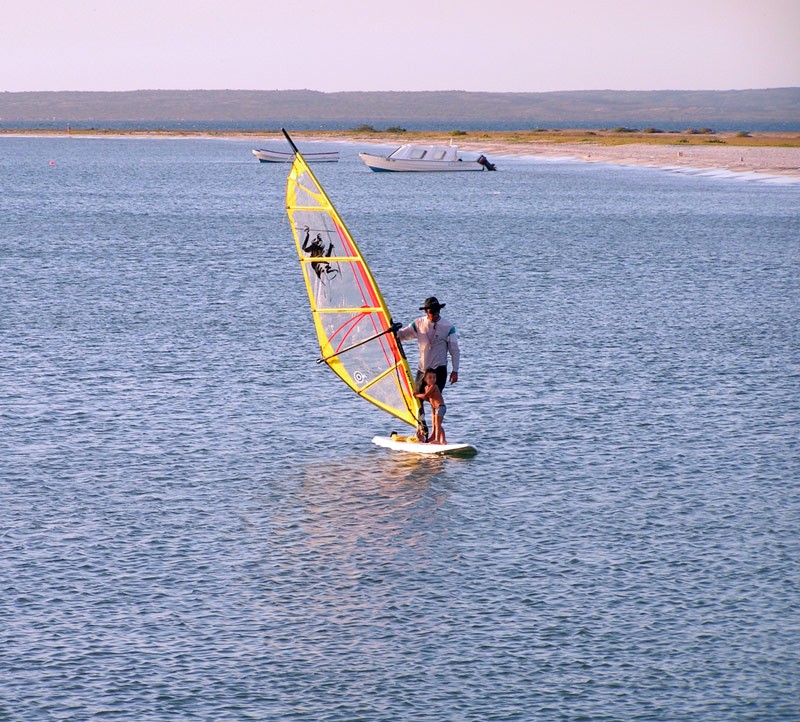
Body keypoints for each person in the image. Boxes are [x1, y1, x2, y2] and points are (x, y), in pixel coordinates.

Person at [397, 296, 460, 440]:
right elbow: (403, 335)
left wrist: (455, 370)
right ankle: (422, 428)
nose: (435, 314)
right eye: (432, 311)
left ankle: (434, 436)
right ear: (426, 311)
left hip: (439, 370)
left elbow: (454, 350)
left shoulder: (448, 327)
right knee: (417, 400)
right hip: (423, 370)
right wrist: (393, 331)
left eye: (437, 310)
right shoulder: (418, 323)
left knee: (434, 401)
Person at [415, 369, 447, 444]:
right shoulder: (426, 387)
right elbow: (427, 398)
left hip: (441, 407)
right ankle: (443, 440)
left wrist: (417, 395)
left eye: (434, 377)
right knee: (438, 424)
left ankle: (437, 440)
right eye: (430, 377)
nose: (432, 379)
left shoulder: (434, 386)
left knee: (437, 424)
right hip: (437, 408)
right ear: (425, 379)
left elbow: (426, 395)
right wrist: (418, 396)